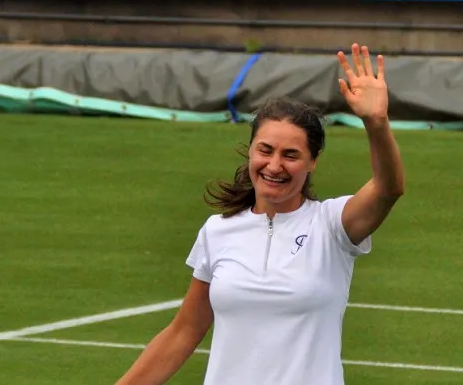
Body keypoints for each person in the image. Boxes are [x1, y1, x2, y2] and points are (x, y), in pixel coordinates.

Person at [115, 44, 405, 385]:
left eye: (291, 155)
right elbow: (183, 333)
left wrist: (376, 122)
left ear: (313, 162)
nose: (274, 165)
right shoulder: (217, 231)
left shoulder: (333, 225)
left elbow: (389, 188)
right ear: (250, 151)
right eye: (265, 150)